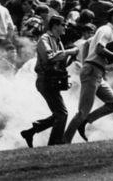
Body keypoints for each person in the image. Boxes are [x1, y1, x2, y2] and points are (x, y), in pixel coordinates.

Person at [64, 8, 113, 143]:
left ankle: (85, 121)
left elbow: (86, 44)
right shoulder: (106, 30)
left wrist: (85, 61)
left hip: (96, 71)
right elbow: (99, 49)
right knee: (83, 111)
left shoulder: (109, 31)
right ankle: (65, 141)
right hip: (92, 71)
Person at [20, 16, 79, 147]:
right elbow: (50, 57)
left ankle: (31, 131)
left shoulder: (57, 40)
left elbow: (61, 62)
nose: (65, 27)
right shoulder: (45, 39)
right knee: (62, 114)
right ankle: (54, 143)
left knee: (59, 114)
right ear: (55, 26)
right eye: (63, 24)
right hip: (45, 80)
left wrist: (71, 56)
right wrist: (70, 51)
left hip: (52, 80)